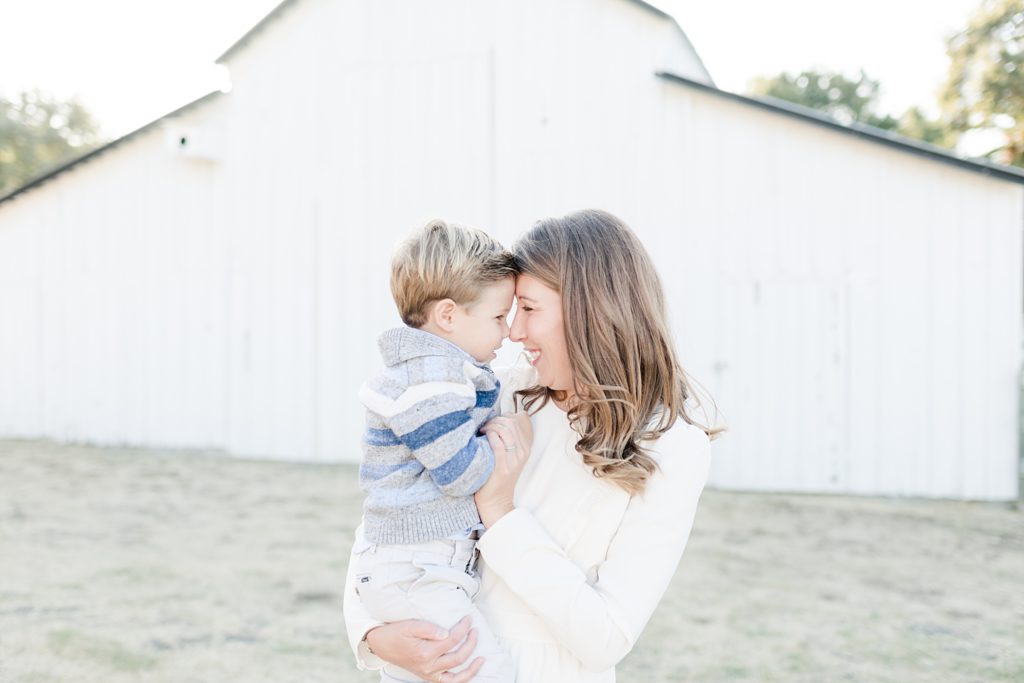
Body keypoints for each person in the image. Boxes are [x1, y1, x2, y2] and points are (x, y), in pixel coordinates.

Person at [345, 209, 718, 683]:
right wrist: (371, 636)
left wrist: (500, 514)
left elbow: (606, 638)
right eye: (508, 311)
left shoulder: (671, 447)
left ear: (591, 310)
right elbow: (386, 522)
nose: (514, 331)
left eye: (530, 308)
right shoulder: (493, 394)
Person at [351, 219, 526, 682]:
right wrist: (502, 441)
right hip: (415, 569)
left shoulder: (439, 374)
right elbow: (462, 473)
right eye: (497, 316)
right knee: (487, 674)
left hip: (418, 565)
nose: (507, 331)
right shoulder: (431, 382)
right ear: (448, 315)